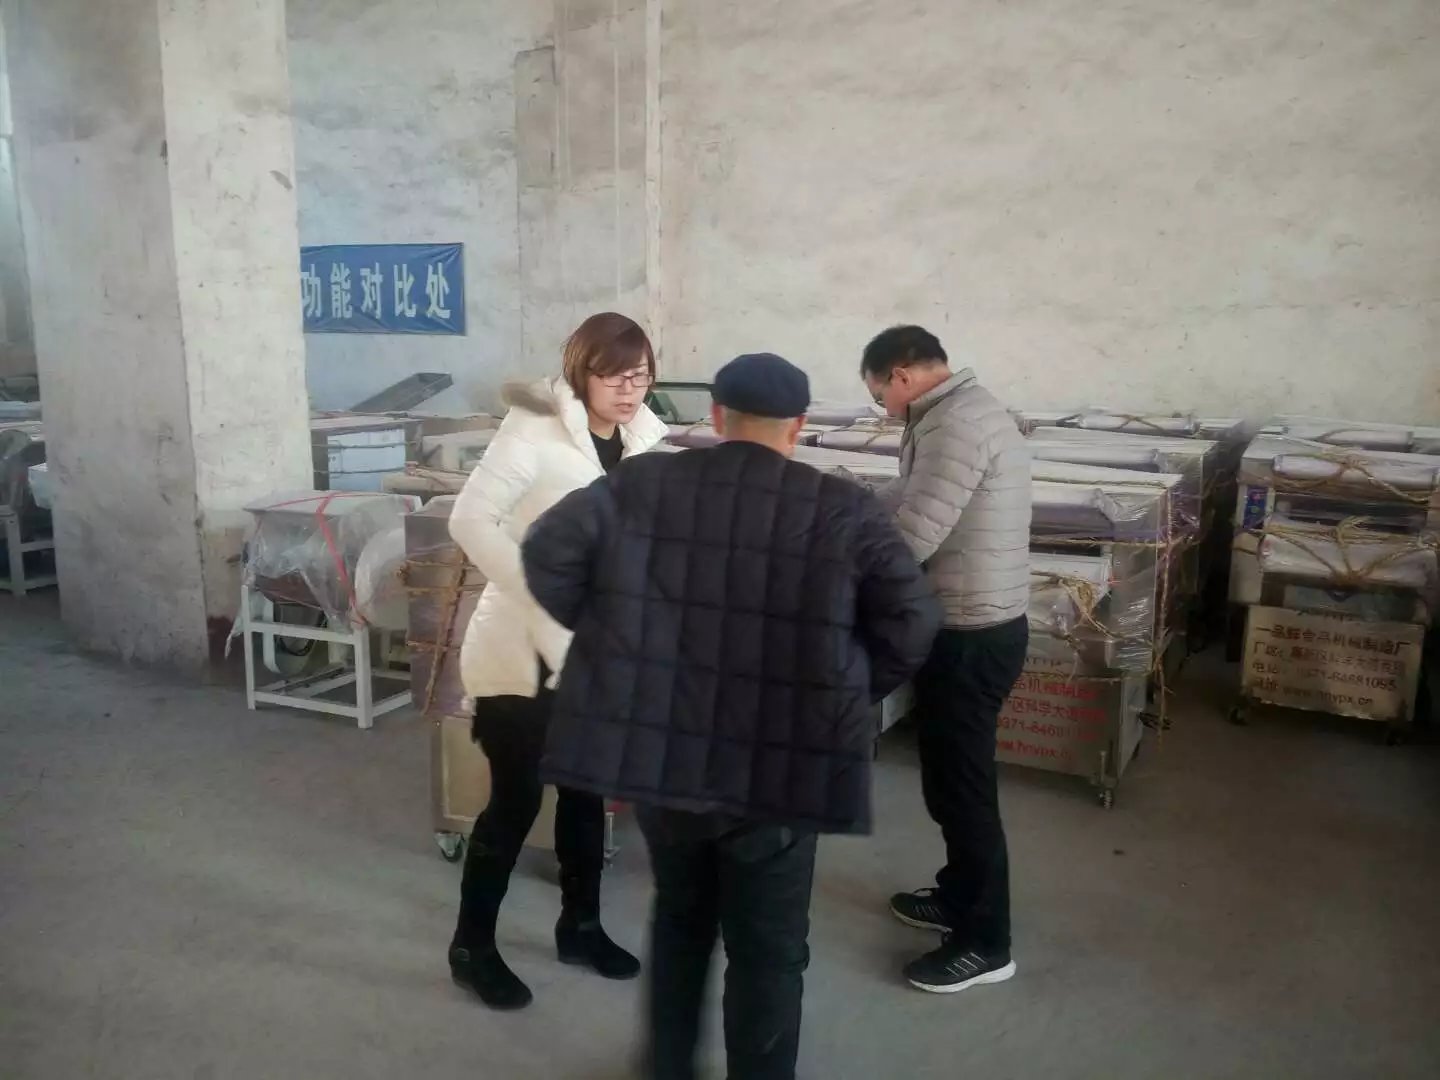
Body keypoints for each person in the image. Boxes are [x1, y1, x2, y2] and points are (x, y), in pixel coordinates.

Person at [522, 352, 941, 1080]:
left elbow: (546, 553)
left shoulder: (642, 484)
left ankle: (668, 1067)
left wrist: (622, 643)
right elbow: (913, 620)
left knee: (681, 920)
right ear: (798, 427)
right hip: (783, 768)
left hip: (669, 756)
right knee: (769, 948)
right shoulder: (841, 509)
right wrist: (840, 691)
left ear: (717, 417)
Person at [445, 311, 668, 1010]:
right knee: (515, 800)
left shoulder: (644, 441)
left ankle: (581, 927)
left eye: (640, 376)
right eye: (613, 375)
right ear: (581, 372)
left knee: (585, 794)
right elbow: (468, 519)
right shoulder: (533, 431)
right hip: (519, 649)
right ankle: (472, 947)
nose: (628, 390)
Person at [860, 324, 1032, 995]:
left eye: (880, 396)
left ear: (901, 375)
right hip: (961, 624)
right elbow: (911, 496)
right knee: (945, 777)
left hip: (973, 634)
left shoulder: (956, 424)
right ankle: (959, 896)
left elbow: (913, 535)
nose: (883, 409)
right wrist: (848, 498)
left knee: (964, 790)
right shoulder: (953, 415)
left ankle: (987, 943)